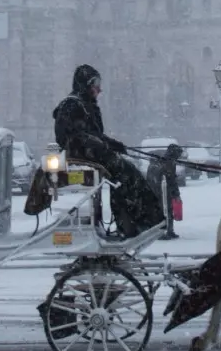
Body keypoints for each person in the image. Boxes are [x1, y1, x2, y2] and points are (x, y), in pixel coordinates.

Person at [52, 64, 165, 240]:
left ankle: (138, 222)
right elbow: (77, 137)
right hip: (85, 156)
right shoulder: (72, 105)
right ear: (85, 84)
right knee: (126, 175)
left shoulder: (84, 104)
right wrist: (104, 146)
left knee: (128, 173)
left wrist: (114, 144)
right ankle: (137, 222)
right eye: (95, 83)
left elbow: (95, 135)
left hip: (92, 154)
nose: (99, 88)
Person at [145, 144, 184, 239]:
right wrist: (175, 193)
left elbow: (172, 179)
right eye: (178, 154)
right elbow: (170, 179)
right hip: (159, 191)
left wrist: (176, 194)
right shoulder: (164, 163)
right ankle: (161, 232)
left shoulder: (170, 162)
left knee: (169, 211)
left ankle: (169, 230)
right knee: (163, 211)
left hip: (166, 191)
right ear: (174, 153)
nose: (178, 157)